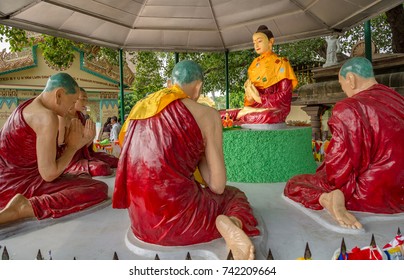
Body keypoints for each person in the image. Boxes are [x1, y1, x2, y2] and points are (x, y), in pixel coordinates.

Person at [113, 60, 259, 260]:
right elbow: (217, 186)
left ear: (169, 83)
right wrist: (197, 153)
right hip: (181, 220)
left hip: (140, 220)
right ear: (198, 86)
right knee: (234, 196)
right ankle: (233, 223)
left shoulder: (141, 109)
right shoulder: (206, 114)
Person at [284, 57, 404, 229]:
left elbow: (337, 169)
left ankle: (328, 198)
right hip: (400, 191)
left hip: (371, 195)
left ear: (351, 79)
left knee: (295, 183)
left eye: (342, 85)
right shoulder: (398, 100)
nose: (344, 90)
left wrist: (331, 183)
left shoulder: (348, 107)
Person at [0, 73, 108, 226]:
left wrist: (82, 141)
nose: (72, 107)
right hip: (16, 187)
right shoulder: (46, 117)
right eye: (71, 102)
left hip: (10, 181)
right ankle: (24, 208)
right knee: (98, 188)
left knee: (83, 179)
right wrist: (72, 147)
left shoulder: (30, 106)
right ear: (59, 95)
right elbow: (49, 174)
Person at [221, 25, 298, 125]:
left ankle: (242, 116)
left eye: (259, 41)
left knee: (268, 116)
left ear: (271, 42)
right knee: (221, 114)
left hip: (273, 110)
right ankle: (245, 114)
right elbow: (250, 100)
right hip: (254, 109)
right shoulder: (254, 65)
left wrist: (259, 98)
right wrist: (250, 98)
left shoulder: (282, 63)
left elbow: (285, 97)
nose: (256, 45)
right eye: (254, 42)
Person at [59, 87, 118, 177]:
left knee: (115, 161)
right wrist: (86, 138)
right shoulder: (63, 117)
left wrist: (90, 137)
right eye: (83, 99)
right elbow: (62, 149)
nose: (85, 102)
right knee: (102, 168)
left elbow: (86, 148)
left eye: (86, 99)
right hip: (70, 160)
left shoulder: (81, 116)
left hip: (85, 156)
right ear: (73, 98)